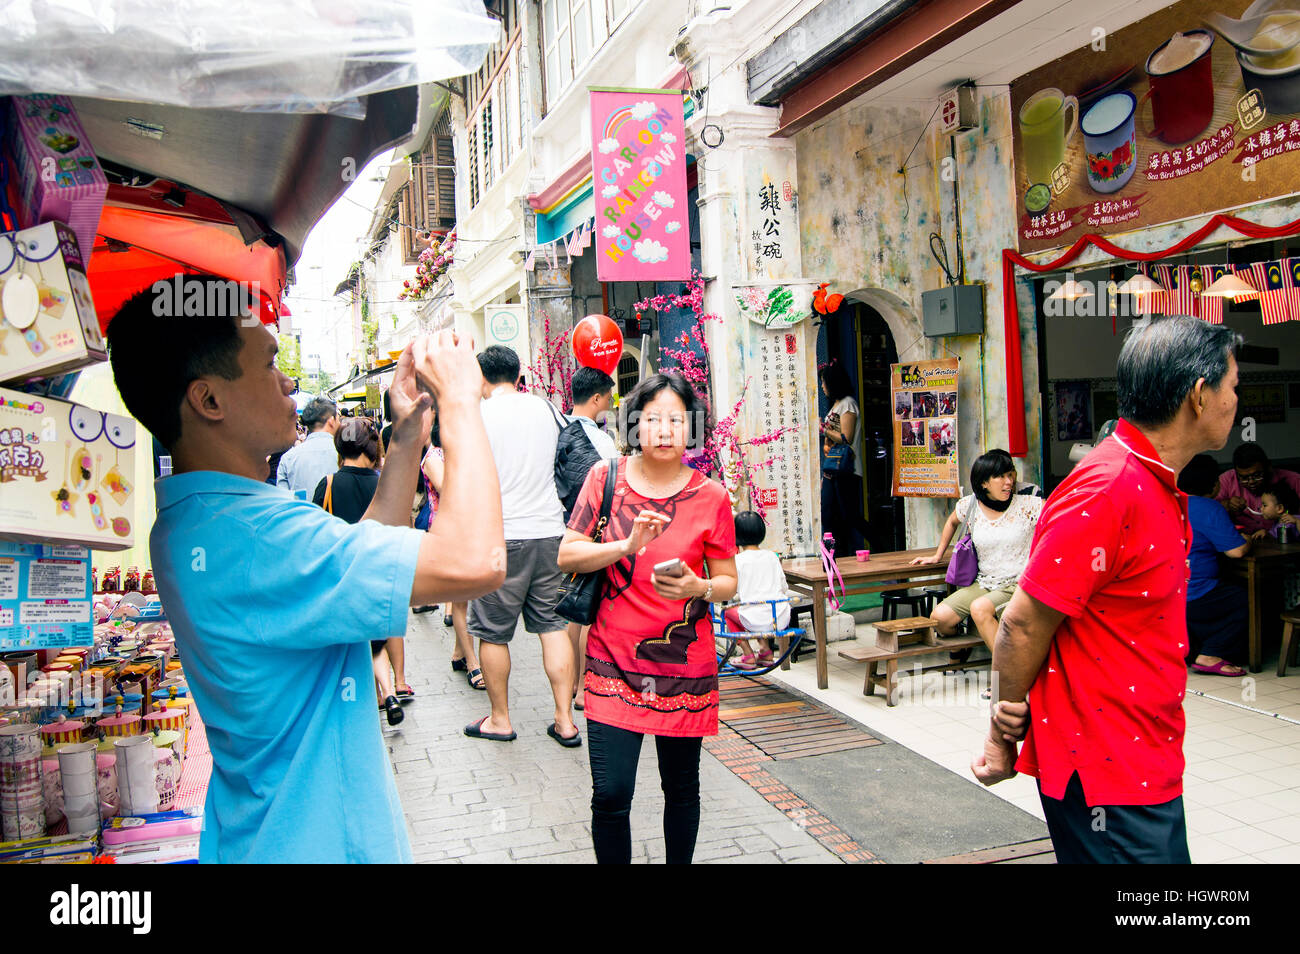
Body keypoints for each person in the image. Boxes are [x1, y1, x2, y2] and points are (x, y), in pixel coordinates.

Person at [106, 275, 504, 863]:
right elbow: (478, 561)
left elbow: (369, 547)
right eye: (269, 364)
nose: (289, 383)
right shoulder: (255, 539)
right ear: (209, 400)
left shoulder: (197, 518)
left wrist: (408, 437)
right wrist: (462, 402)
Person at [975, 315, 1242, 865]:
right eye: (1233, 387)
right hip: (1108, 769)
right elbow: (1022, 623)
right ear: (1198, 395)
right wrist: (1001, 738)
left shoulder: (1151, 479)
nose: (1236, 400)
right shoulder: (1109, 488)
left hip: (1142, 755)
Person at [557, 372, 738, 865]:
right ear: (634, 425)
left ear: (692, 428)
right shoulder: (605, 479)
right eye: (652, 418)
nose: (663, 429)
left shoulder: (712, 497)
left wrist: (698, 587)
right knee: (611, 794)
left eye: (675, 420)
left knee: (681, 791)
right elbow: (568, 555)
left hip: (685, 669)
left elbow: (727, 582)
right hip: (611, 662)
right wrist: (625, 546)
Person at [464, 345, 579, 748]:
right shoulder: (546, 408)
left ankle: (500, 719)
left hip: (500, 536)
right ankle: (565, 720)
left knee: (493, 633)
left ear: (481, 378)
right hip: (550, 531)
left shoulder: (477, 416)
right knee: (553, 627)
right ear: (517, 375)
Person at [310, 418, 409, 723]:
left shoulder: (327, 484)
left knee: (353, 644)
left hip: (341, 578)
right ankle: (389, 691)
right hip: (379, 574)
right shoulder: (384, 484)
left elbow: (316, 534)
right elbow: (400, 529)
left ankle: (370, 697)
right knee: (377, 640)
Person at [911, 450, 1043, 649]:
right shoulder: (970, 505)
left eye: (1010, 474)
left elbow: (1061, 519)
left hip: (1017, 585)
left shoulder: (1028, 505)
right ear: (984, 483)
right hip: (984, 583)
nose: (1008, 482)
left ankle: (1008, 671)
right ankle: (976, 644)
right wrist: (937, 555)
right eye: (1000, 476)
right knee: (940, 618)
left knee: (979, 608)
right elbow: (952, 522)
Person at [566, 367, 620, 709]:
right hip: (593, 531)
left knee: (572, 606)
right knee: (589, 608)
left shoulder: (557, 428)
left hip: (563, 530)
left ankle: (569, 681)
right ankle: (586, 687)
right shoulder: (600, 440)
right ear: (597, 398)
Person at [422, 415, 483, 691]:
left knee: (468, 596)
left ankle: (459, 654)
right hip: (449, 533)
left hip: (470, 530)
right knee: (461, 600)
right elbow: (449, 489)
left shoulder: (462, 454)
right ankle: (473, 663)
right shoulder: (434, 456)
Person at [1176, 454, 1250, 676]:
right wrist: (1246, 540)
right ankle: (1211, 653)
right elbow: (1236, 552)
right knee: (1243, 597)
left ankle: (1191, 651)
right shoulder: (1209, 507)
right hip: (1197, 593)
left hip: (1168, 591)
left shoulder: (1169, 502)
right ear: (1215, 484)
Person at [722, 511, 791, 670]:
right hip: (780, 617)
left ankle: (747, 654)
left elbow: (732, 591)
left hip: (755, 618)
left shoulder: (738, 560)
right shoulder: (772, 556)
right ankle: (765, 651)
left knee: (728, 613)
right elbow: (783, 587)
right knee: (757, 608)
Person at [818, 361, 870, 557]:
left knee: (850, 515)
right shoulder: (836, 405)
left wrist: (824, 429)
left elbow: (846, 437)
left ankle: (879, 546)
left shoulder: (848, 404)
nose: (823, 387)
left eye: (824, 382)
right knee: (829, 513)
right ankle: (832, 556)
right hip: (832, 468)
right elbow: (833, 437)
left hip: (846, 469)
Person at [1216, 442, 1300, 535]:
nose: (1251, 481)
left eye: (1257, 475)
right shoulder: (1227, 479)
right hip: (1241, 540)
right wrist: (1228, 504)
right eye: (1244, 478)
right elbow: (1208, 510)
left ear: (1268, 467)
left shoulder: (1294, 480)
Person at [276, 396, 339, 495]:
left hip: (299, 510)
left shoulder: (288, 458)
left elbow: (283, 498)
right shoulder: (344, 453)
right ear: (331, 421)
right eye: (338, 419)